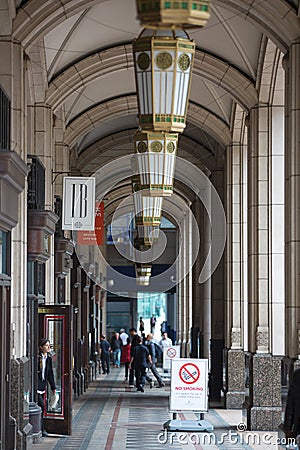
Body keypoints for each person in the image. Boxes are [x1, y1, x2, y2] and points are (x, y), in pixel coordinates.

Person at [37, 338, 56, 437]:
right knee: (42, 406)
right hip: (36, 387)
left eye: (49, 345)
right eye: (46, 345)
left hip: (43, 386)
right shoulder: (37, 358)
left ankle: (41, 428)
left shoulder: (48, 359)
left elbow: (50, 374)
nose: (48, 347)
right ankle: (42, 429)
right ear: (41, 347)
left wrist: (53, 387)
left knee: (41, 408)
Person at [283, 368, 300, 441]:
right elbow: (291, 401)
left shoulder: (298, 374)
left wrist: (288, 427)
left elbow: (291, 402)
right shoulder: (298, 375)